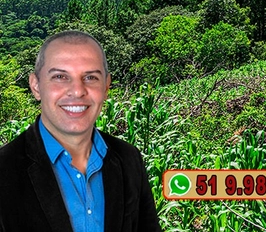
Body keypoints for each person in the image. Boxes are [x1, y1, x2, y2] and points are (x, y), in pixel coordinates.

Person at [0, 30, 161, 232]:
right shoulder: (4, 170)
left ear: (106, 86)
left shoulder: (129, 159)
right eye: (60, 76)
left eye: (91, 77)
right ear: (36, 86)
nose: (77, 91)